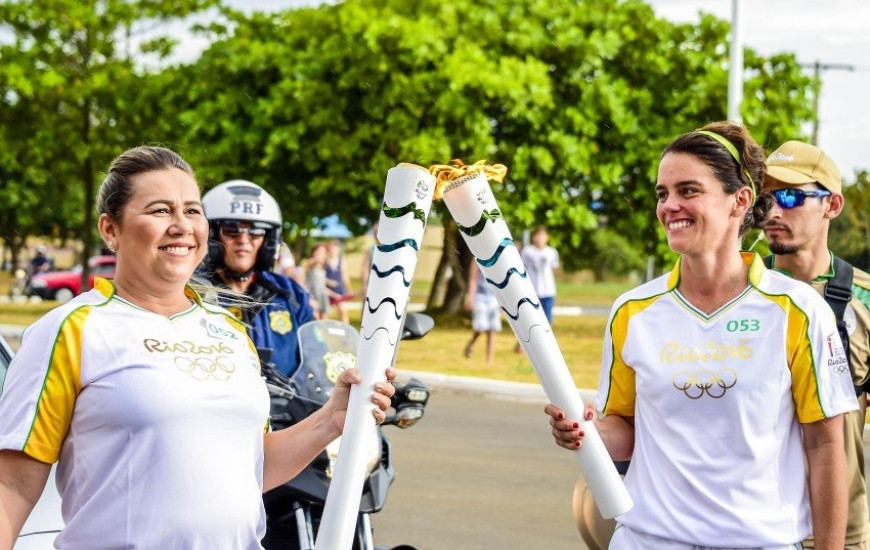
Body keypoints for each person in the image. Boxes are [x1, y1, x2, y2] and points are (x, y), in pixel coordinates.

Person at [0, 146, 397, 550]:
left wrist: (331, 418)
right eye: (159, 211)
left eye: (192, 210)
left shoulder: (228, 330)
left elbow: (251, 467)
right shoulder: (71, 330)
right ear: (110, 230)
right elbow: (11, 486)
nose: (181, 226)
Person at [546, 123, 857, 549]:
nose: (669, 206)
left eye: (688, 190)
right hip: (649, 540)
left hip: (758, 542)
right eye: (662, 193)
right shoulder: (634, 311)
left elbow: (825, 446)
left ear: (740, 200)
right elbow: (625, 430)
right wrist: (588, 429)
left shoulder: (797, 310)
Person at [762, 140, 870, 550]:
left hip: (840, 533)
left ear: (832, 205)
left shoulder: (865, 300)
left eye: (790, 196)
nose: (773, 211)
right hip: (748, 526)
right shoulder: (732, 289)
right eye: (766, 197)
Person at [200, 179, 316, 378]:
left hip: (290, 406)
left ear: (269, 239)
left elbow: (316, 355)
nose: (244, 240)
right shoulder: (191, 293)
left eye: (256, 230)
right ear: (212, 236)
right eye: (231, 229)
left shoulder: (289, 293)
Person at [463, 264, 501, 364]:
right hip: (479, 297)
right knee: (480, 328)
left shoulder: (498, 258)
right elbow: (473, 279)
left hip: (493, 297)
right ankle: (471, 343)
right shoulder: (476, 258)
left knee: (492, 330)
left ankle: (489, 361)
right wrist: (470, 297)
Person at [520, 226, 559, 323]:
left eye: (542, 236)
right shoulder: (527, 251)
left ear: (547, 237)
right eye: (538, 235)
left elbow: (554, 268)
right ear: (533, 237)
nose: (540, 238)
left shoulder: (552, 252)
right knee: (531, 319)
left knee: (547, 318)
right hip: (532, 289)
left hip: (548, 290)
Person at [325, 239, 353, 324]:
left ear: (338, 250)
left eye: (335, 248)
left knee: (343, 310)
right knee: (326, 313)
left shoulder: (342, 260)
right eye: (331, 248)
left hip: (339, 289)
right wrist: (328, 281)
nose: (333, 250)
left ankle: (346, 328)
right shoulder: (325, 260)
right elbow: (320, 276)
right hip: (328, 290)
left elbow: (345, 275)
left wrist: (349, 289)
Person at [303, 243, 333, 321]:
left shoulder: (322, 267)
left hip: (322, 297)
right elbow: (310, 264)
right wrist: (318, 258)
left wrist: (335, 295)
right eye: (319, 251)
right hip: (313, 296)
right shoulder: (310, 263)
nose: (321, 254)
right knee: (315, 321)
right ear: (313, 252)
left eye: (323, 252)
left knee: (324, 321)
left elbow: (322, 286)